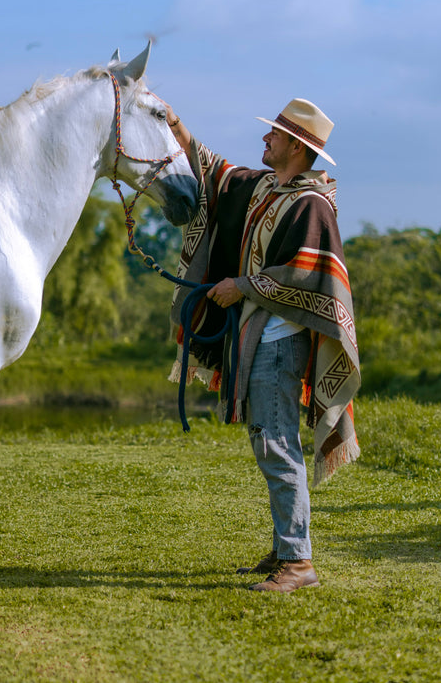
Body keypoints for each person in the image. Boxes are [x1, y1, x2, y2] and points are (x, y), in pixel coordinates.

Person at [161, 95, 361, 593]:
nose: (265, 138)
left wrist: (242, 286)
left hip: (279, 341)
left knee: (276, 444)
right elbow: (217, 173)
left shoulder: (311, 206)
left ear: (295, 145)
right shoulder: (270, 188)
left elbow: (308, 275)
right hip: (260, 339)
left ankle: (298, 563)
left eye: (274, 133)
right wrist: (177, 125)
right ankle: (284, 549)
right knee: (269, 440)